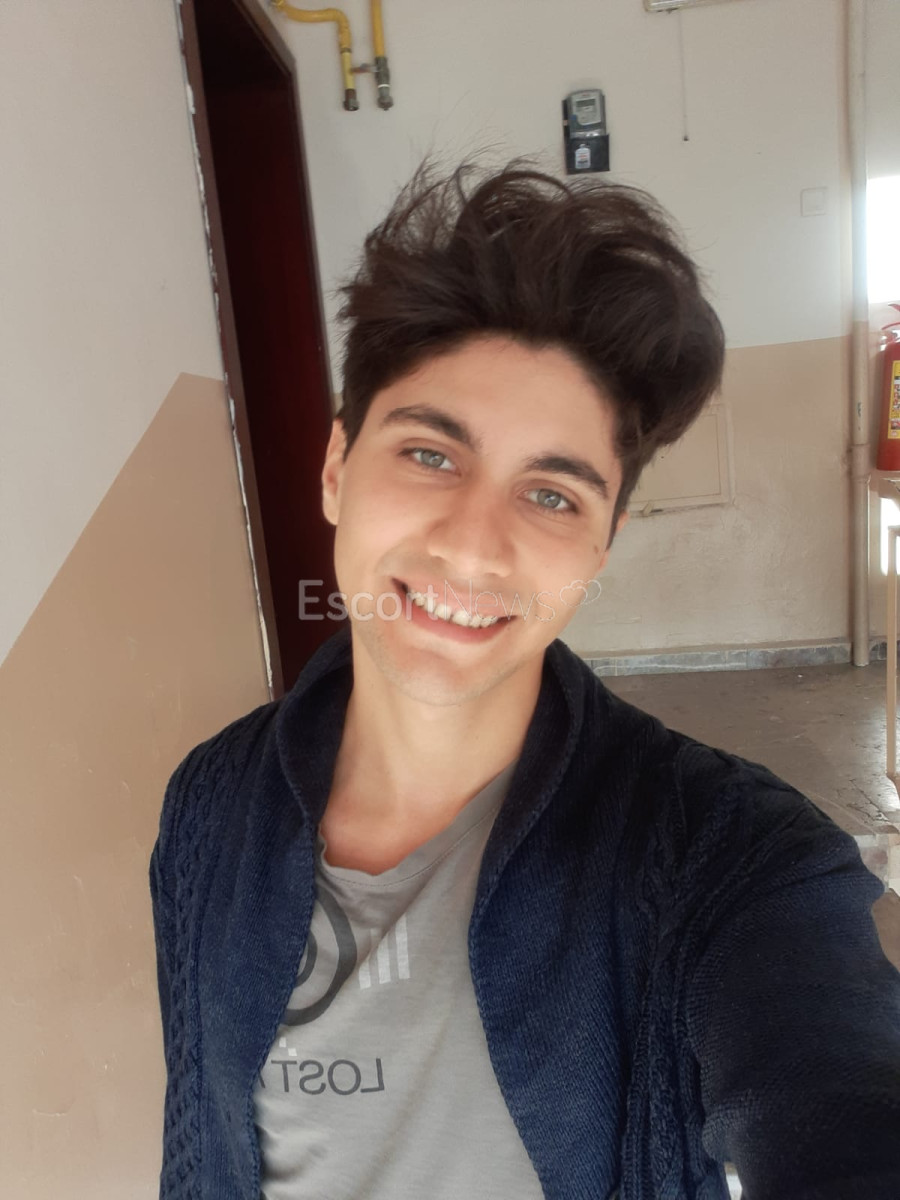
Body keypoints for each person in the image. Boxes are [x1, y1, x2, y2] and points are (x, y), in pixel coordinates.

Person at [150, 163, 900, 1200]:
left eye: (552, 495)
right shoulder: (207, 805)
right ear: (334, 469)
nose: (473, 546)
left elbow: (842, 1100)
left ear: (602, 544)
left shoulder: (733, 859)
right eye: (430, 455)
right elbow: (200, 1141)